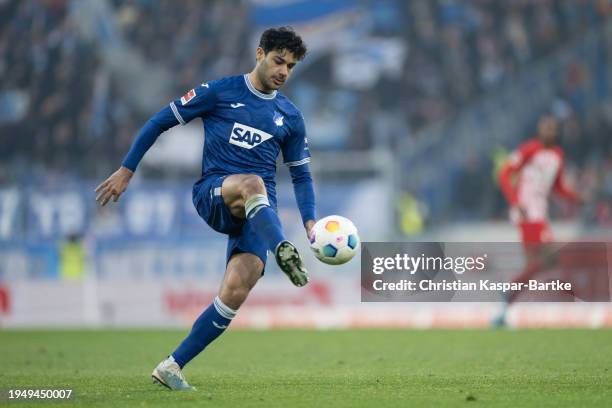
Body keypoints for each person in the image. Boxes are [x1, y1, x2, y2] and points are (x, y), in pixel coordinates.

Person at [95, 27, 316, 390]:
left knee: (235, 290)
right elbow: (159, 121)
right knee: (252, 183)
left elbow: (302, 176)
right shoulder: (219, 92)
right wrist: (126, 169)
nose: (283, 72)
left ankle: (171, 366)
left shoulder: (289, 116)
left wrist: (310, 221)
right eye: (279, 61)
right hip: (215, 193)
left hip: (259, 213)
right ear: (259, 54)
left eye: (290, 66)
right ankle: (282, 249)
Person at [494, 114, 583, 326]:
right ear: (539, 129)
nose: (548, 132)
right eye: (545, 128)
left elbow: (558, 186)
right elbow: (504, 173)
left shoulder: (558, 155)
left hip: (539, 212)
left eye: (552, 128)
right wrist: (515, 201)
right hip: (527, 212)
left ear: (556, 131)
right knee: (547, 257)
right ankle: (510, 291)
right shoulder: (529, 149)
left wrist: (576, 197)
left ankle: (505, 304)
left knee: (538, 262)